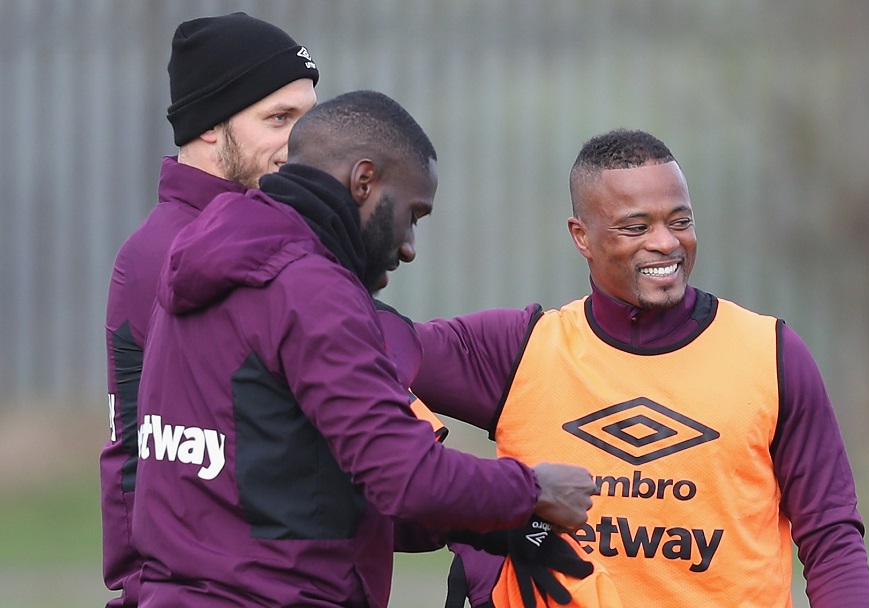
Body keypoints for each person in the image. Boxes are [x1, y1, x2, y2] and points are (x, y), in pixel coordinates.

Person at [130, 90, 597, 608]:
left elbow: (304, 491)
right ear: (364, 181)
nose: (409, 247)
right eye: (412, 213)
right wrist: (533, 491)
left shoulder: (200, 269)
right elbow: (404, 475)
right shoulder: (309, 289)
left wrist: (490, 526)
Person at [412, 129, 869, 607]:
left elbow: (831, 534)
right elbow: (355, 344)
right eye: (636, 227)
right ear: (582, 237)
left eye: (680, 221)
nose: (665, 243)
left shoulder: (773, 354)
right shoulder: (519, 350)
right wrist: (473, 527)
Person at [100, 12, 319, 607]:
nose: (302, 143)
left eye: (309, 118)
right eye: (279, 119)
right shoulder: (166, 253)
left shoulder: (272, 236)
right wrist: (141, 588)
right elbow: (136, 447)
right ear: (207, 128)